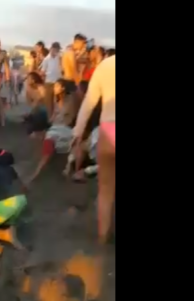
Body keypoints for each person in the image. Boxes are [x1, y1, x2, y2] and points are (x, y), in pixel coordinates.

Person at [69, 55, 115, 244]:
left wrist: (78, 131)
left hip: (108, 129)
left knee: (105, 190)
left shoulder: (106, 64)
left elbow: (89, 101)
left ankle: (102, 238)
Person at [26, 78, 79, 185]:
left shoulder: (71, 100)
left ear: (63, 88)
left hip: (65, 128)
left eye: (57, 86)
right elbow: (53, 117)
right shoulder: (56, 99)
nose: (54, 88)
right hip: (56, 127)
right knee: (38, 134)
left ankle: (36, 174)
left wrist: (57, 122)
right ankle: (38, 167)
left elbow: (71, 118)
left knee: (48, 140)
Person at [39, 42, 63, 119]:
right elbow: (42, 72)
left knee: (58, 103)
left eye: (58, 50)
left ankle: (57, 119)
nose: (57, 51)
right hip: (49, 83)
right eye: (56, 49)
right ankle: (49, 120)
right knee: (48, 104)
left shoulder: (59, 58)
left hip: (58, 83)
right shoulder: (46, 59)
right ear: (52, 49)